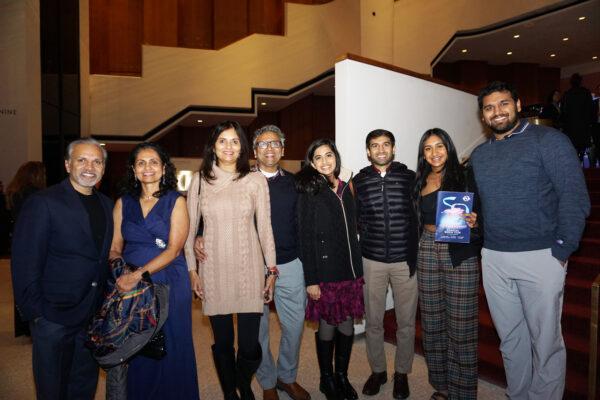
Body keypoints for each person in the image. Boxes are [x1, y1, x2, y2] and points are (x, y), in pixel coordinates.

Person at [472, 81, 590, 400]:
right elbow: (487, 204)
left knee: (546, 342)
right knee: (510, 338)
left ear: (518, 103)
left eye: (503, 103)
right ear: (483, 116)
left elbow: (574, 196)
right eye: (489, 107)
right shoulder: (480, 156)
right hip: (494, 258)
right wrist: (476, 222)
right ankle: (519, 394)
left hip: (541, 257)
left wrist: (562, 250)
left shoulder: (549, 141)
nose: (497, 111)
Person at [11, 138, 113, 399]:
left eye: (97, 161)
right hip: (53, 316)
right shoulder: (43, 202)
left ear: (103, 168)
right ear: (68, 165)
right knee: (52, 388)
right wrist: (38, 315)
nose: (90, 166)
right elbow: (24, 262)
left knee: (83, 385)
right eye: (82, 160)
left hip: (91, 316)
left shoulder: (107, 204)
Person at [185, 120, 277, 400]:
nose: (228, 146)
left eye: (235, 141)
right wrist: (192, 270)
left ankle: (242, 380)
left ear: (242, 147)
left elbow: (265, 228)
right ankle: (230, 392)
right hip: (213, 271)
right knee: (223, 342)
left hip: (249, 270)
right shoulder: (200, 180)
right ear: (213, 146)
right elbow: (190, 231)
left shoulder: (255, 180)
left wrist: (271, 270)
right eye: (222, 140)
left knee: (250, 346)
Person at [109, 142, 199, 399]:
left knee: (172, 340)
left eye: (153, 162)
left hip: (168, 278)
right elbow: (115, 246)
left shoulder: (176, 201)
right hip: (130, 282)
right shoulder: (123, 203)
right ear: (134, 170)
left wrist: (137, 274)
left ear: (163, 168)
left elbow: (173, 250)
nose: (147, 167)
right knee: (136, 342)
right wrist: (121, 272)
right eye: (141, 163)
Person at [413, 128, 481, 400]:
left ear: (448, 147)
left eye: (439, 146)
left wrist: (475, 221)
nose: (434, 153)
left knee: (461, 325)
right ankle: (442, 385)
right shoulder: (419, 180)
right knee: (431, 322)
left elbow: (482, 212)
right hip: (426, 249)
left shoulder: (464, 175)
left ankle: (463, 392)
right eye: (428, 148)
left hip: (459, 252)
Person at [296, 138, 364, 400]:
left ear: (336, 157)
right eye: (318, 157)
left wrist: (358, 269)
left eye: (329, 155)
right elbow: (305, 237)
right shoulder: (309, 190)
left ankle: (342, 376)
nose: (325, 161)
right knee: (327, 325)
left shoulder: (347, 186)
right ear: (311, 163)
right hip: (324, 273)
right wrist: (311, 280)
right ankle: (326, 379)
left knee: (346, 325)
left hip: (350, 270)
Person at [353, 129, 418, 400]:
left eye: (386, 145)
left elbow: (421, 210)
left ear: (393, 148)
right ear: (368, 151)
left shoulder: (410, 177)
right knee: (374, 322)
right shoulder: (359, 181)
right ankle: (378, 371)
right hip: (372, 261)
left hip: (405, 261)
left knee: (406, 322)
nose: (381, 150)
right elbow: (352, 217)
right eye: (374, 146)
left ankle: (401, 373)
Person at [250, 125, 310, 400]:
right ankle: (268, 381)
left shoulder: (295, 183)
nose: (270, 148)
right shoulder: (243, 183)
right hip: (252, 265)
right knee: (258, 329)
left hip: (289, 263)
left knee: (295, 325)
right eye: (263, 144)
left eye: (275, 144)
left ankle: (287, 376)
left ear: (283, 150)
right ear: (254, 151)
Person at [6, 161, 46, 337]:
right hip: (34, 241)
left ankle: (22, 326)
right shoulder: (36, 195)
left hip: (17, 239)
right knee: (36, 281)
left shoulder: (14, 192)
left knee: (21, 281)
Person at [561, 73, 595, 161]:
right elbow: (591, 109)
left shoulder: (567, 94)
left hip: (571, 128)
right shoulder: (586, 92)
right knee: (585, 152)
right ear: (580, 81)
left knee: (573, 151)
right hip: (584, 127)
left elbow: (564, 112)